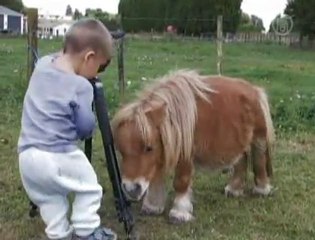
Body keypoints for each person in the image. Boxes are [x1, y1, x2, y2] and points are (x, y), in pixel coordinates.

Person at [17, 18, 117, 240]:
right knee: (89, 187)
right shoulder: (81, 86)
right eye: (100, 66)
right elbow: (85, 127)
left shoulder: (42, 64)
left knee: (50, 198)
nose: (98, 73)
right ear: (89, 57)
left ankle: (59, 234)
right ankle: (86, 231)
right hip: (57, 154)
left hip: (26, 156)